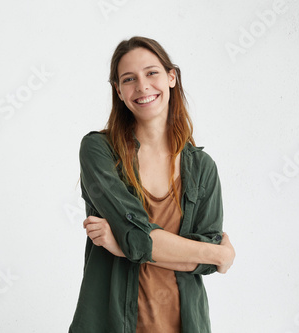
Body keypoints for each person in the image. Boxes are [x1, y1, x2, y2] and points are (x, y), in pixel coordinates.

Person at [69, 36, 235, 333]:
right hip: (110, 323)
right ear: (118, 91)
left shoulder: (202, 168)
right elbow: (136, 233)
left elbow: (202, 260)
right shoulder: (98, 150)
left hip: (186, 323)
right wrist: (219, 254)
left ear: (172, 77)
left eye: (151, 73)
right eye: (129, 79)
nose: (142, 86)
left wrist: (122, 246)